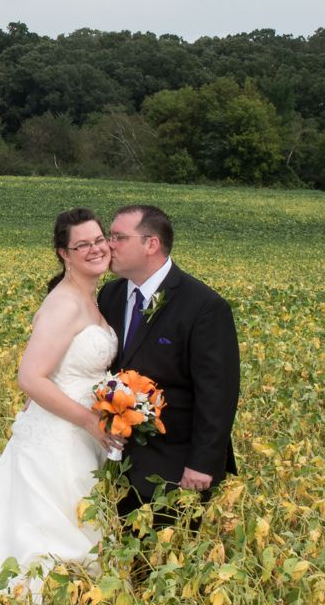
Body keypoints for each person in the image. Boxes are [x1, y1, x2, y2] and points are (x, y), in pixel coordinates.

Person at [0, 208, 124, 605]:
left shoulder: (92, 299)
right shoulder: (65, 304)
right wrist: (91, 421)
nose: (96, 249)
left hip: (77, 436)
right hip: (62, 437)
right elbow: (30, 377)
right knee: (45, 538)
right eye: (83, 245)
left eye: (99, 240)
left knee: (78, 527)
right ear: (64, 253)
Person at [97, 204, 240, 533]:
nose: (108, 245)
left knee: (168, 564)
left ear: (151, 244)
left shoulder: (204, 306)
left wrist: (202, 464)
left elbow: (218, 392)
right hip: (119, 460)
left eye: (118, 237)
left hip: (177, 466)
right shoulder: (112, 294)